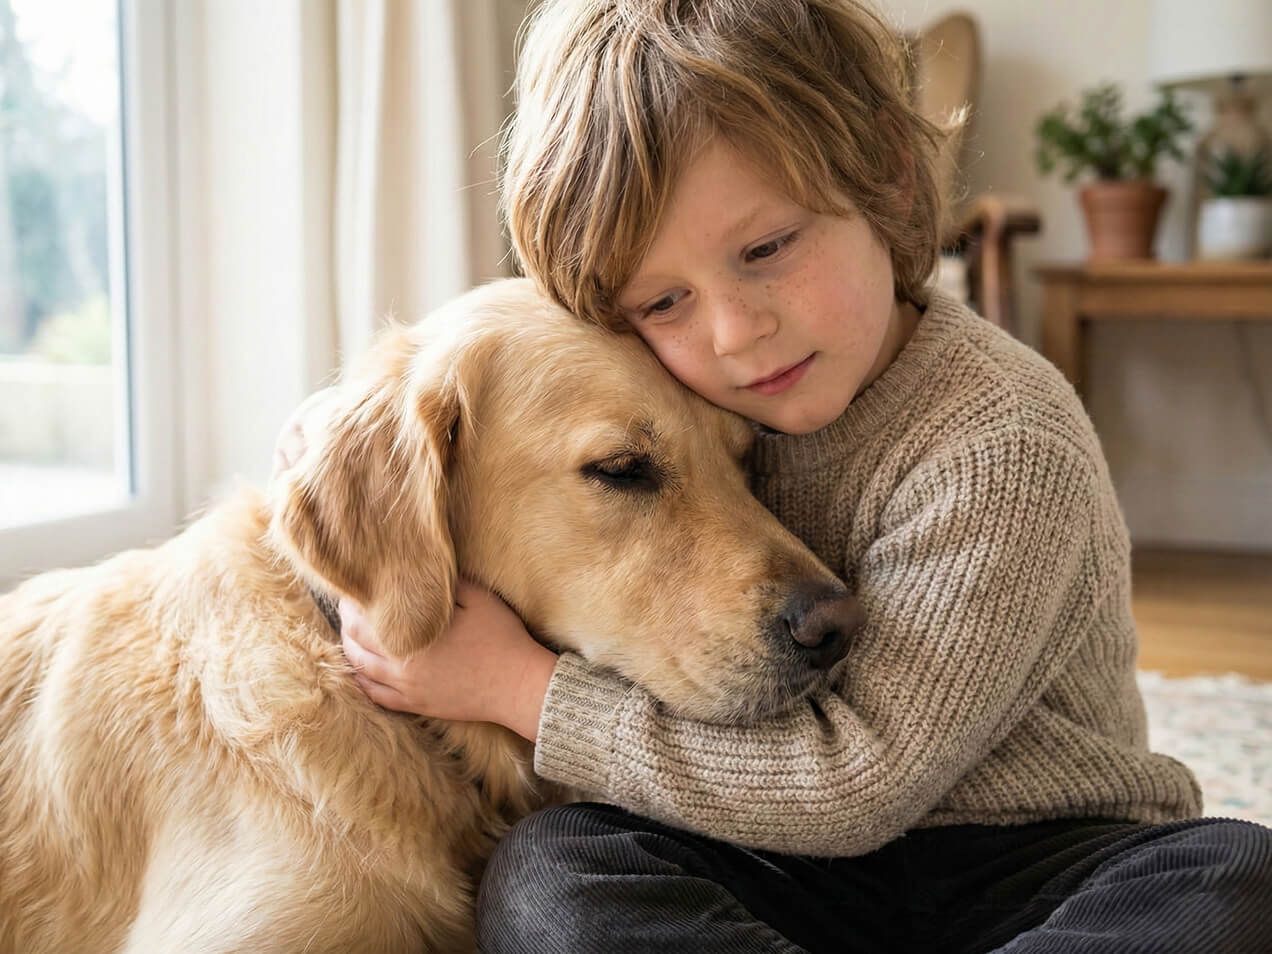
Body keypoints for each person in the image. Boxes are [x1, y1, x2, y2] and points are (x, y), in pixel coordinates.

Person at [276, 1, 1272, 951]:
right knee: (549, 873)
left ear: (886, 174)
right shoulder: (709, 395)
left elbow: (857, 782)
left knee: (1236, 873)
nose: (734, 331)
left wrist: (526, 690)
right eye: (663, 300)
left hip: (1035, 866)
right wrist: (350, 442)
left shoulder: (1005, 440)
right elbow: (486, 405)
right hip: (785, 875)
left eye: (766, 248)